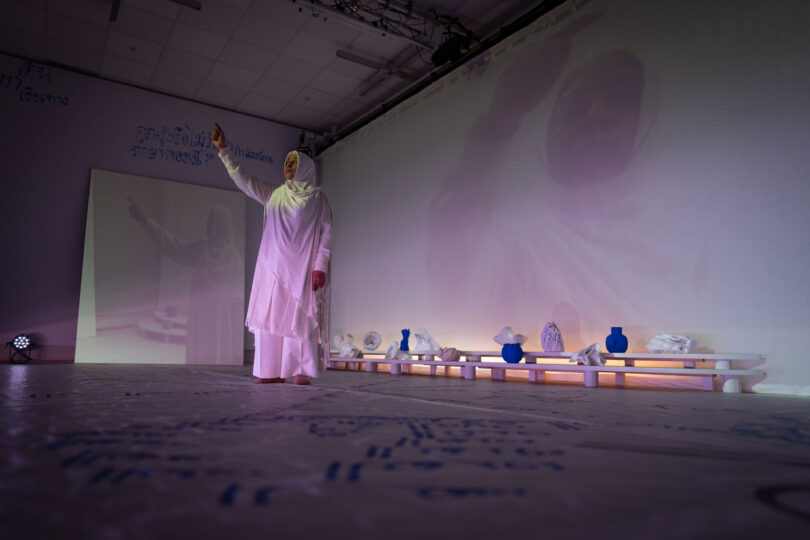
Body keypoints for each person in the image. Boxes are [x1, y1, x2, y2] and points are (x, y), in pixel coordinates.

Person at [211, 123, 332, 385]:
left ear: (306, 167)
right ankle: (270, 371)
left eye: (294, 162)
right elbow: (244, 181)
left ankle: (299, 371)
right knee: (270, 318)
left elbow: (325, 235)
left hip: (301, 270)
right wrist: (224, 151)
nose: (289, 166)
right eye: (287, 162)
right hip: (272, 270)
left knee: (298, 318)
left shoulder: (317, 199)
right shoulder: (274, 194)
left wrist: (320, 266)